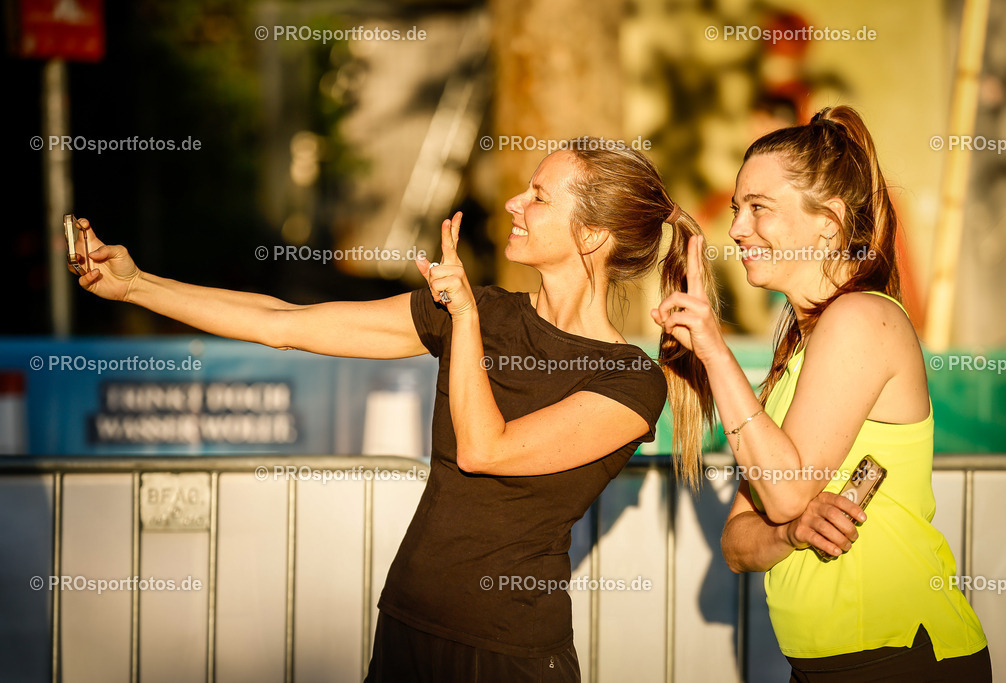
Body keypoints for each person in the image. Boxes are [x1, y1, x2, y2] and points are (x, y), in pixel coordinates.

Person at [71, 139, 717, 682]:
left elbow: (485, 449)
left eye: (539, 197)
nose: (514, 203)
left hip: (509, 653)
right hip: (406, 626)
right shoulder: (482, 310)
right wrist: (136, 285)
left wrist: (464, 319)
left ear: (593, 234)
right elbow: (284, 323)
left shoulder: (630, 381)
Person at [652, 106, 991, 681]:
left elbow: (784, 492)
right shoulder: (795, 354)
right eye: (736, 210)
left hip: (901, 658)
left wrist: (713, 350)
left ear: (829, 223)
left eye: (759, 207)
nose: (737, 229)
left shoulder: (861, 319)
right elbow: (737, 544)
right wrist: (791, 533)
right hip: (823, 666)